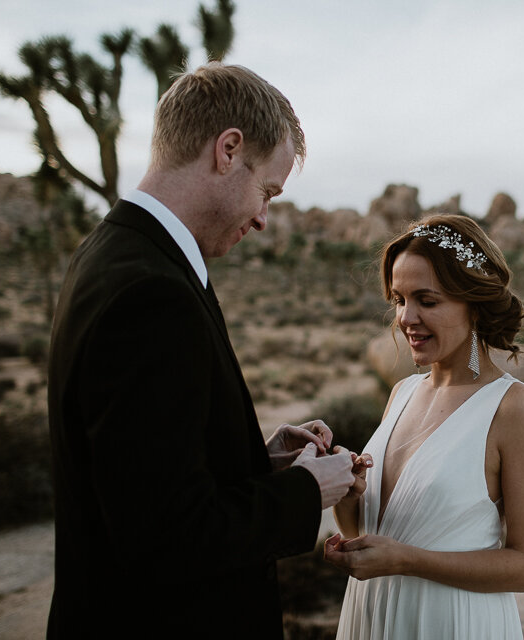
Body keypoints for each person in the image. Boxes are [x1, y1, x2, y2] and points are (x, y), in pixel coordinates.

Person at [46, 62, 357, 639]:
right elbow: (168, 538)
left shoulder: (113, 253)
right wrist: (306, 491)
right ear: (229, 149)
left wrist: (256, 463)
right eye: (267, 190)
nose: (264, 218)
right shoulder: (151, 294)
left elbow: (141, 477)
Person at [325, 214, 524, 639]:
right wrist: (349, 494)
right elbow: (369, 534)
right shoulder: (401, 394)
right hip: (372, 616)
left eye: (427, 301)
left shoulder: (515, 409)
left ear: (474, 303)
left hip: (453, 622)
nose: (405, 317)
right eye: (399, 299)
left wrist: (410, 561)